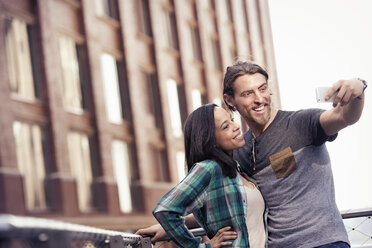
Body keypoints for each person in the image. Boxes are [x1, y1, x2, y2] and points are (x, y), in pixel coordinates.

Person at [137, 61, 367, 248]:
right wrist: (170, 227)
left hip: (323, 243)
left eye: (263, 88)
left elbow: (344, 117)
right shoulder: (239, 150)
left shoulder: (300, 123)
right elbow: (230, 203)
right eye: (248, 93)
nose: (259, 98)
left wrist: (358, 88)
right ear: (230, 100)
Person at [151, 104, 268, 247]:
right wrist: (202, 246)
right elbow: (166, 210)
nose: (236, 126)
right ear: (210, 139)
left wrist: (167, 229)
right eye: (226, 126)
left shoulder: (236, 170)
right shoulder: (209, 169)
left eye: (231, 120)